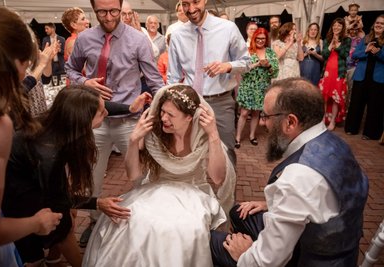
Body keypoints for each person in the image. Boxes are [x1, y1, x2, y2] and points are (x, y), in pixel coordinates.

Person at [211, 77, 369, 267]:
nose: (262, 123)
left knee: (211, 241)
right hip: (339, 250)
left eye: (266, 116)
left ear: (290, 122)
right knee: (238, 212)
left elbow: (266, 262)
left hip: (307, 259)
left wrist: (246, 253)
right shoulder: (336, 144)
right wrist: (270, 204)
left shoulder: (297, 178)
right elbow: (322, 198)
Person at [83, 84, 236, 267]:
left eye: (171, 115)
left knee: (185, 229)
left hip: (193, 191)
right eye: (162, 111)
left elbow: (217, 178)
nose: (163, 118)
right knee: (133, 221)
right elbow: (133, 175)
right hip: (155, 188)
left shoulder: (202, 136)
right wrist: (134, 140)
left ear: (189, 117)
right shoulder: (154, 131)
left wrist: (213, 134)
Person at [2, 86, 151, 267]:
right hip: (17, 194)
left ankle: (54, 259)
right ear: (83, 120)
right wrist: (97, 203)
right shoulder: (48, 154)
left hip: (36, 177)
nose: (106, 113)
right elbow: (56, 199)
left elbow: (102, 108)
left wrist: (129, 109)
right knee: (60, 223)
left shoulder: (61, 121)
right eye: (101, 112)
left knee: (66, 213)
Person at [65, 0, 164, 247]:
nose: (108, 16)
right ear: (93, 10)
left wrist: (164, 108)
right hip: (95, 122)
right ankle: (94, 220)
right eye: (101, 11)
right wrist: (83, 83)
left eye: (113, 11)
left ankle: (144, 222)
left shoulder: (138, 40)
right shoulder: (85, 39)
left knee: (141, 176)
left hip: (128, 120)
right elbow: (71, 69)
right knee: (91, 176)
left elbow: (154, 80)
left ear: (121, 9)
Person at [0, 6, 62, 267]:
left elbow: (22, 88)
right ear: (15, 62)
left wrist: (40, 65)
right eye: (25, 64)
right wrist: (37, 223)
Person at [168, 0, 250, 165]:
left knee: (226, 152)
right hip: (189, 104)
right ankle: (195, 190)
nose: (191, 9)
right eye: (185, 4)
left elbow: (247, 62)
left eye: (196, 2)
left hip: (220, 102)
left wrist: (227, 66)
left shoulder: (227, 28)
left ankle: (227, 191)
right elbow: (173, 77)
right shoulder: (177, 35)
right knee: (188, 153)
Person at [235, 28, 279, 148]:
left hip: (262, 87)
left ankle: (252, 136)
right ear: (254, 38)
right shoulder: (248, 51)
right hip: (248, 86)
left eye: (263, 38)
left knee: (256, 113)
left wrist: (269, 65)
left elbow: (275, 72)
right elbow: (242, 70)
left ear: (266, 39)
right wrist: (258, 64)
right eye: (258, 38)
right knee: (244, 113)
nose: (260, 41)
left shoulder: (270, 53)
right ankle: (238, 137)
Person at [345, 14, 384, 140]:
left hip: (378, 78)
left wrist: (379, 53)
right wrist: (366, 51)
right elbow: (355, 54)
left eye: (382, 24)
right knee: (356, 103)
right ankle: (351, 128)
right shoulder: (366, 38)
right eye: (377, 22)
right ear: (374, 24)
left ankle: (370, 133)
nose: (379, 25)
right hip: (361, 76)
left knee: (375, 106)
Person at [318, 18, 351, 131]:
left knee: (336, 98)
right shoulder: (327, 39)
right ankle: (322, 120)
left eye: (339, 26)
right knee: (324, 97)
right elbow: (325, 55)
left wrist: (337, 45)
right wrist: (331, 43)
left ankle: (332, 121)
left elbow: (344, 54)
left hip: (339, 73)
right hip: (327, 73)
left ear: (343, 27)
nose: (336, 27)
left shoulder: (347, 40)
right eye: (334, 25)